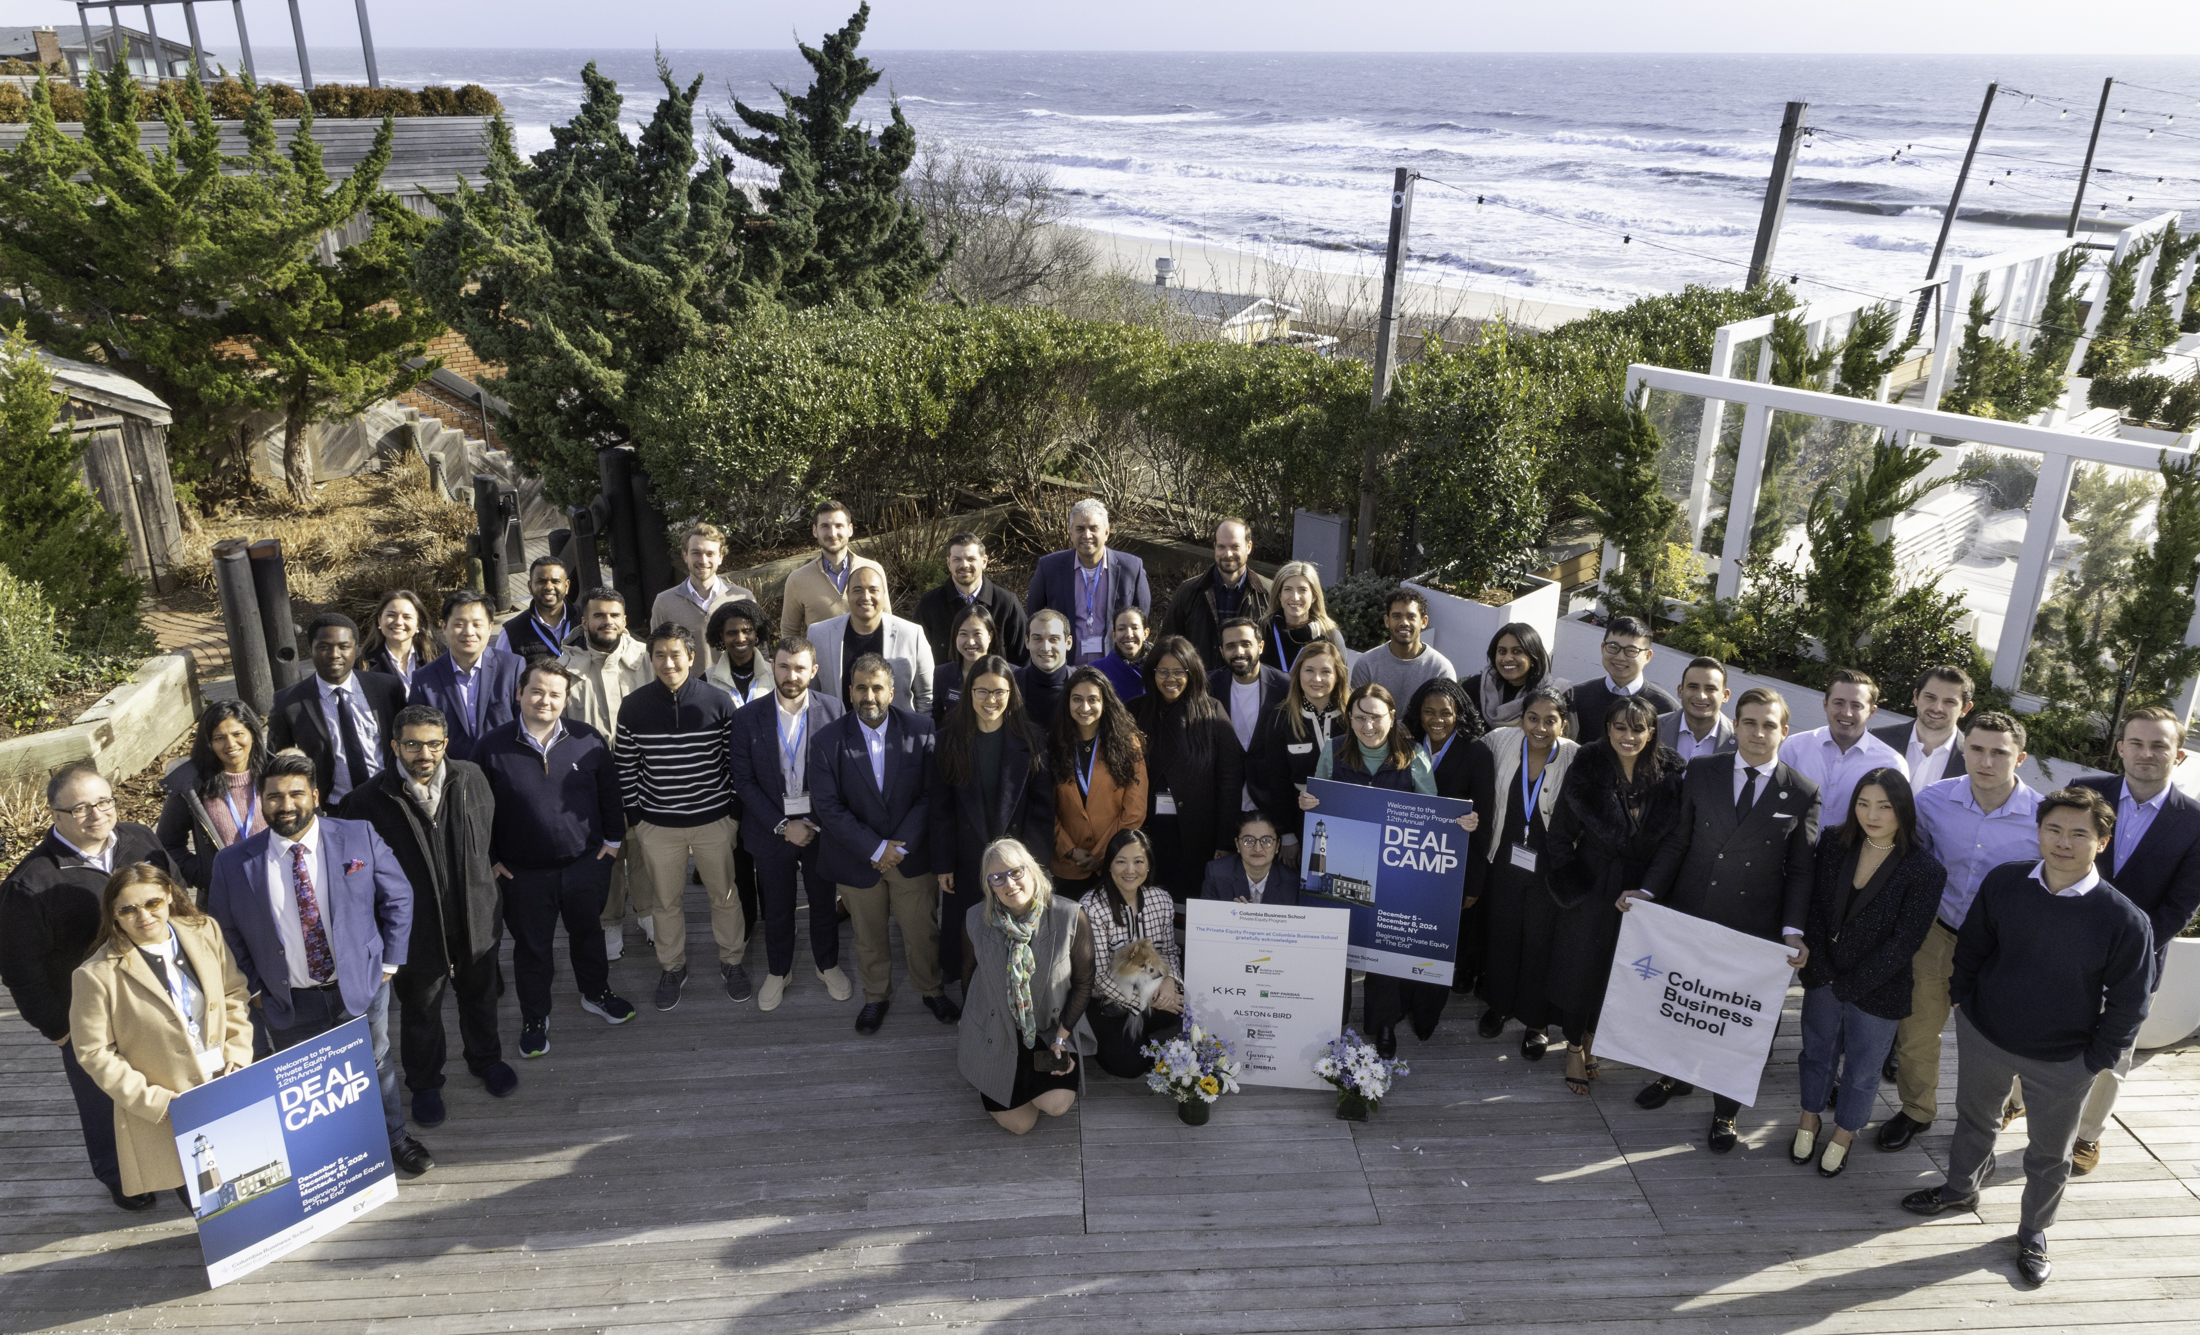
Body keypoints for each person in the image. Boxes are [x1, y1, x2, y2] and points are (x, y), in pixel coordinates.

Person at [1900, 787, 2154, 1288]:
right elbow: (1973, 945)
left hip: (2064, 1059)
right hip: (1986, 1034)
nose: (2063, 842)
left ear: (2101, 842)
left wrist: (2094, 1060)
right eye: (2053, 830)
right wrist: (1962, 1002)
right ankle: (1959, 1189)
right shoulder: (2005, 882)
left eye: (2079, 833)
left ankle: (2034, 1231)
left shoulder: (2124, 919)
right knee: (1974, 1122)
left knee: (2049, 1154)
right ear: (2039, 831)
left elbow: (2130, 1003)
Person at [205, 752, 430, 1176]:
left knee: (376, 1064)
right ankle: (334, 1160)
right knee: (308, 1086)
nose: (285, 805)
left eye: (295, 794)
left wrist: (391, 963)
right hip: (289, 999)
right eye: (273, 797)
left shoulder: (357, 835)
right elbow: (224, 931)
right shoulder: (233, 863)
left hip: (361, 986)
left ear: (315, 795)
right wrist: (253, 987)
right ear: (261, 799)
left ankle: (395, 1139)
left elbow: (398, 896)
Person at [1624, 687, 1818, 1153]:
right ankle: (1672, 1076)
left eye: (1768, 724)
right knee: (1684, 1002)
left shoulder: (1802, 790)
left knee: (1737, 1024)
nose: (1757, 732)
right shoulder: (1703, 770)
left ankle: (1725, 1113)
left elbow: (1801, 871)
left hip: (1753, 930)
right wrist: (1648, 891)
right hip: (1693, 914)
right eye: (1749, 722)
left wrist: (1793, 930)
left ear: (1783, 732)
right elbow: (1678, 841)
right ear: (1737, 725)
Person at [0, 764, 182, 1210]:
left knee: (165, 1087)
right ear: (55, 814)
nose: (96, 814)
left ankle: (180, 1171)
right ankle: (121, 1177)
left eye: (103, 801)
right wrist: (59, 1030)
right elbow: (19, 970)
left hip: (156, 1001)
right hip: (88, 1019)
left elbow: (174, 895)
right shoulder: (30, 885)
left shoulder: (139, 838)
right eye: (80, 807)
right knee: (104, 1105)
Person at [339, 704, 516, 1125]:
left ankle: (485, 1059)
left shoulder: (472, 778)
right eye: (413, 744)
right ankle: (425, 1083)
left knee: (481, 995)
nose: (424, 754)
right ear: (395, 745)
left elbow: (490, 833)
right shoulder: (365, 802)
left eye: (433, 744)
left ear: (446, 744)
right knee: (421, 1010)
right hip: (414, 930)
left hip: (475, 917)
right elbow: (356, 880)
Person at [1879, 713, 2041, 1152]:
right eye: (1976, 749)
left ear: (2019, 758)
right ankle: (1916, 1110)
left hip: (2001, 949)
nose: (1985, 760)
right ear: (1964, 749)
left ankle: (1990, 1116)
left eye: (1999, 752)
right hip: (1937, 933)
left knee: (1996, 1043)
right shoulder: (1932, 800)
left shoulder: (2043, 818)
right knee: (1916, 1032)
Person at [67, 864, 253, 1209]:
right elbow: (94, 1053)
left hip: (227, 1079)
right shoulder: (95, 975)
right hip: (172, 1104)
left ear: (169, 895)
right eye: (128, 909)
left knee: (252, 1179)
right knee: (210, 1205)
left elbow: (234, 992)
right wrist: (153, 1100)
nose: (144, 916)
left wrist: (239, 1051)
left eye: (152, 902)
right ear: (114, 916)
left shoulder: (204, 930)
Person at [477, 658, 636, 1056]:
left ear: (565, 700)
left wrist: (612, 844)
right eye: (536, 691)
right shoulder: (490, 748)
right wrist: (492, 859)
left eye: (554, 694)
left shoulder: (589, 739)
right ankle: (535, 1016)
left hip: (585, 864)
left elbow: (610, 796)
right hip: (522, 874)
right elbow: (477, 813)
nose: (544, 700)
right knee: (532, 948)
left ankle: (596, 992)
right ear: (519, 694)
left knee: (589, 934)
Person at [1791, 769, 1944, 1178]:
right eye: (1863, 803)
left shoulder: (1924, 869)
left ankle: (1844, 1133)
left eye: (1884, 806)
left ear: (1903, 810)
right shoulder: (1833, 845)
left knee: (1862, 1069)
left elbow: (1905, 942)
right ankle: (1809, 1119)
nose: (1871, 815)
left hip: (1879, 988)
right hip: (1824, 976)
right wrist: (1823, 971)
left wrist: (1851, 985)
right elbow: (1817, 912)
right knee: (1815, 1055)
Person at [2067, 706, 2200, 1174]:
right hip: (2063, 947)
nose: (2147, 753)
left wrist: (2123, 956)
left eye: (2159, 745)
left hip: (2137, 963)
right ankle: (2019, 1099)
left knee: (2113, 1055)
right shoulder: (2083, 795)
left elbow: (2179, 909)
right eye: (2137, 743)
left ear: (2178, 755)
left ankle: (2087, 1134)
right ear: (2121, 747)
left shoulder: (2196, 821)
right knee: (2041, 1029)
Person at [1542, 697, 1684, 1095]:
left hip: (1641, 893)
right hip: (1591, 886)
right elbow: (1560, 835)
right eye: (1620, 727)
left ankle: (1592, 1039)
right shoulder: (1587, 764)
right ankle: (1572, 1047)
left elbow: (1674, 840)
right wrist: (1572, 886)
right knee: (1580, 970)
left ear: (1651, 732)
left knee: (1617, 974)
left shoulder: (1670, 772)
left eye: (1637, 729)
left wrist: (1652, 890)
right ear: (1608, 729)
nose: (1628, 736)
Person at [810, 653, 954, 1033]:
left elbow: (929, 795)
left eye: (877, 688)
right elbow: (827, 805)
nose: (868, 695)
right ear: (850, 691)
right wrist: (875, 848)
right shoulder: (826, 741)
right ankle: (876, 997)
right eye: (860, 687)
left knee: (922, 932)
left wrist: (896, 848)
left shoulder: (922, 729)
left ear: (891, 691)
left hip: (909, 856)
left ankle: (931, 989)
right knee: (868, 936)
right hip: (858, 860)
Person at [615, 622, 748, 1013]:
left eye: (676, 654)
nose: (668, 662)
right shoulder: (634, 706)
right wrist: (638, 818)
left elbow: (735, 762)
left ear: (691, 657)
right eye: (660, 655)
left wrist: (733, 814)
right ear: (650, 658)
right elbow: (626, 766)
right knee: (665, 902)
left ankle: (733, 962)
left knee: (724, 895)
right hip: (658, 824)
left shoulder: (719, 702)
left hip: (714, 820)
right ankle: (672, 967)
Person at [727, 635, 851, 1011]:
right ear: (773, 667)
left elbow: (843, 775)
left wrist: (811, 822)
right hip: (770, 830)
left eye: (799, 668)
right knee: (777, 908)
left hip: (820, 829)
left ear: (813, 671)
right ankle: (779, 970)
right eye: (783, 666)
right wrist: (783, 825)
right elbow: (743, 781)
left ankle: (826, 964)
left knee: (823, 902)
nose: (791, 675)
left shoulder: (834, 710)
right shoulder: (747, 717)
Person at [930, 654, 1055, 996]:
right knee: (969, 931)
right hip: (967, 857)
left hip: (1018, 862)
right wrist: (943, 863)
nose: (991, 700)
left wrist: (1036, 864)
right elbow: (940, 809)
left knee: (1016, 931)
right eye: (982, 692)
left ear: (1011, 694)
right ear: (969, 693)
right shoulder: (947, 739)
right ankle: (971, 996)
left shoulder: (1031, 739)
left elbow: (1042, 809)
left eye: (999, 692)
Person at [955, 838, 1097, 1135]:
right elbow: (968, 975)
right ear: (989, 885)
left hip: (1047, 1031)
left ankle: (1024, 1081)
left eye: (1016, 872)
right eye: (997, 878)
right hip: (1000, 1031)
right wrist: (973, 1026)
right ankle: (996, 1073)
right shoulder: (975, 919)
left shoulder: (1070, 915)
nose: (1009, 883)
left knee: (1056, 1105)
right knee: (1020, 1125)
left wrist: (1061, 1039)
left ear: (1032, 870)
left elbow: (1084, 983)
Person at [1467, 686, 1577, 1059]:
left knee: (1539, 943)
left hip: (1548, 868)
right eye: (1533, 718)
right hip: (1504, 860)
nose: (1540, 728)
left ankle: (1536, 1022)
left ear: (1563, 723)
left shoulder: (1576, 757)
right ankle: (1499, 1005)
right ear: (1522, 718)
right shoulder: (1500, 741)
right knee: (1502, 935)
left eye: (1551, 720)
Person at [558, 585, 657, 963]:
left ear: (625, 619)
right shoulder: (563, 665)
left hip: (643, 773)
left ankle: (648, 915)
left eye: (614, 615)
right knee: (607, 853)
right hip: (590, 780)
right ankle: (610, 920)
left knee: (644, 847)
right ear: (584, 621)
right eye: (599, 615)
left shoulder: (647, 658)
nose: (607, 622)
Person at [1132, 637, 1242, 899]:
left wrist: (1225, 842)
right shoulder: (1135, 711)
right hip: (1147, 830)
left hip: (1197, 834)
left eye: (1179, 671)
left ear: (1192, 672)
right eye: (1163, 671)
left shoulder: (1211, 712)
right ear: (1152, 673)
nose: (1171, 679)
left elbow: (1230, 779)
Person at [266, 612, 404, 808]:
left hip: (389, 801)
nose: (334, 654)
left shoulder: (386, 687)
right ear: (310, 649)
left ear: (355, 648)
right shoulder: (289, 702)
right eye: (324, 647)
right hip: (333, 809)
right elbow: (276, 762)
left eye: (343, 646)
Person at [1078, 829, 1186, 1077]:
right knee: (1129, 1065)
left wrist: (1170, 982)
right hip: (1107, 1001)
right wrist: (1148, 1000)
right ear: (1109, 866)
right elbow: (1100, 977)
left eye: (1138, 861)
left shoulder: (1161, 899)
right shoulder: (1091, 907)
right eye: (1121, 861)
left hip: (1154, 988)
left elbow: (1169, 951)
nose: (1130, 870)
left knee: (1189, 1009)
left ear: (1148, 865)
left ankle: (1145, 1031)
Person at [1047, 667, 1149, 896]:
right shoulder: (1052, 744)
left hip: (1115, 864)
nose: (1084, 707)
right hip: (1067, 866)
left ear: (1105, 702)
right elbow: (1044, 807)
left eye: (1093, 699)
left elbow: (1135, 810)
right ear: (1067, 703)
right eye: (1077, 699)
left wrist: (1103, 853)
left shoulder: (1129, 745)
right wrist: (1069, 849)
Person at [157, 700, 269, 892]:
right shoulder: (190, 786)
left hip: (281, 889)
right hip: (226, 898)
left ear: (252, 734)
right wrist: (206, 875)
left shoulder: (279, 775)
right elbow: (167, 845)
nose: (231, 744)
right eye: (219, 738)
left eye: (238, 734)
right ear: (208, 743)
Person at [1025, 499, 1150, 666]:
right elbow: (1033, 614)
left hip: (1117, 666)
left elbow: (1141, 616)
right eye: (1080, 529)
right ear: (1070, 532)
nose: (1087, 535)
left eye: (1093, 528)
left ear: (1106, 532)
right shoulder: (1049, 567)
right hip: (1065, 666)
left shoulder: (1131, 568)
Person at [1779, 668, 1905, 831]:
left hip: (1854, 856)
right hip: (1793, 853)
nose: (1846, 713)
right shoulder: (1795, 748)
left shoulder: (1890, 763)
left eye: (1856, 705)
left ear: (1871, 711)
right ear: (1825, 704)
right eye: (1839, 703)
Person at [1250, 638, 1348, 847]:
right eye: (1309, 670)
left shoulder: (1353, 716)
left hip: (1349, 816)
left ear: (1338, 675)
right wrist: (1287, 836)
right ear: (1298, 674)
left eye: (1326, 671)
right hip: (1301, 819)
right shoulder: (1281, 717)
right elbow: (1277, 783)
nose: (1317, 678)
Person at [410, 591, 524, 763]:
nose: (468, 632)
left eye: (477, 624)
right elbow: (420, 736)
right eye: (459, 624)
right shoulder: (424, 679)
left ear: (490, 627)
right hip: (454, 777)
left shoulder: (512, 667)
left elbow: (526, 723)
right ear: (443, 627)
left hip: (506, 770)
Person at [810, 565, 936, 715]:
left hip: (896, 735)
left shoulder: (912, 634)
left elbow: (927, 696)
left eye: (873, 590)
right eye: (857, 590)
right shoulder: (818, 634)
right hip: (839, 734)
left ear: (883, 594)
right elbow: (811, 695)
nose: (866, 596)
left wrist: (919, 735)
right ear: (847, 594)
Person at [1160, 517, 1273, 669]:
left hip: (1249, 687)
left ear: (1249, 547)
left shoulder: (1268, 593)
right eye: (1221, 546)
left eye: (1235, 546)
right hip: (1201, 686)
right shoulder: (1189, 591)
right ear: (1214, 546)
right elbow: (1167, 644)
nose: (1227, 554)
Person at [649, 522, 758, 672]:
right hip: (687, 692)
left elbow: (759, 650)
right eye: (696, 553)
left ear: (720, 557)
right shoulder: (664, 603)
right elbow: (657, 654)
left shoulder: (743, 598)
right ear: (685, 555)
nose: (703, 560)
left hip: (734, 690)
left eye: (710, 554)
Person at [916, 530, 1027, 668]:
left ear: (984, 561)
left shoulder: (1006, 603)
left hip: (995, 687)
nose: (964, 565)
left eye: (971, 559)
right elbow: (918, 657)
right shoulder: (929, 604)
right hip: (946, 687)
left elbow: (1023, 658)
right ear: (948, 563)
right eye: (957, 559)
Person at [1566, 616, 1680, 741]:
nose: (1620, 657)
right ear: (1603, 648)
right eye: (1614, 647)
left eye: (1631, 651)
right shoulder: (1577, 697)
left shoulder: (1666, 708)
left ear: (1648, 656)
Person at [780, 498, 884, 632]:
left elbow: (886, 619)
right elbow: (789, 630)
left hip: (868, 653)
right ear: (815, 531)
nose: (832, 534)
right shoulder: (797, 579)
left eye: (839, 526)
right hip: (821, 653)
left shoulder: (874, 571)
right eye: (825, 526)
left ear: (850, 530)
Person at [1872, 665, 1975, 788]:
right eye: (1930, 697)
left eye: (1949, 702)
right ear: (1916, 697)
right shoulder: (1877, 741)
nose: (1937, 708)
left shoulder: (1973, 761)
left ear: (1965, 709)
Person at [1211, 616, 1288, 775]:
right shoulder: (1207, 685)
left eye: (1246, 644)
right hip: (1225, 787)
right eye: (1230, 646)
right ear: (1221, 651)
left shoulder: (1285, 686)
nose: (1239, 652)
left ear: (1260, 646)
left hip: (1270, 791)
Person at [1348, 588, 1456, 701]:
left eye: (1411, 617)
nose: (1404, 623)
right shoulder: (1366, 665)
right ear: (1387, 621)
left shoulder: (1440, 669)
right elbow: (1358, 712)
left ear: (1423, 622)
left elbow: (1443, 715)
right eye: (1396, 616)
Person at [1471, 622, 1571, 728]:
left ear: (1533, 658)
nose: (1507, 658)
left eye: (1517, 651)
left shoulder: (1555, 696)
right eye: (1502, 651)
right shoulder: (1476, 688)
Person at [1258, 560, 1348, 674]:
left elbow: (1341, 684)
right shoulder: (1263, 631)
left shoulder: (1330, 636)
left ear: (1314, 596)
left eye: (1302, 590)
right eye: (1287, 589)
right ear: (1279, 595)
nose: (1295, 597)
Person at [1202, 812, 1302, 904]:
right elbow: (1206, 918)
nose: (1257, 848)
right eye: (1248, 840)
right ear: (1237, 844)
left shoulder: (1292, 882)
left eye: (1266, 840)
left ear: (1277, 845)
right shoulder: (1216, 873)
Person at [1659, 656, 1737, 761]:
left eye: (1710, 689)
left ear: (1725, 695)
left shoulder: (1740, 740)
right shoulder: (1652, 728)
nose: (1701, 696)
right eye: (1693, 687)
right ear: (1680, 691)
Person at [931, 603, 998, 724]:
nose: (971, 642)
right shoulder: (941, 674)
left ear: (990, 636)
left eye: (977, 634)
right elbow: (936, 719)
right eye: (963, 634)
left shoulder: (1009, 675)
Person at [501, 555, 576, 659]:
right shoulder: (511, 632)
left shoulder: (585, 620)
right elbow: (501, 672)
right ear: (530, 587)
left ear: (566, 586)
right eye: (541, 581)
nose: (549, 587)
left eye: (555, 581)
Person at [705, 599, 776, 707]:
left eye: (747, 631)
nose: (740, 639)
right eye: (732, 633)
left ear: (756, 631)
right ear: (721, 636)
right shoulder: (707, 679)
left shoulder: (776, 673)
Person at [362, 589, 439, 687]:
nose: (398, 622)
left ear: (418, 624)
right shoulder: (363, 665)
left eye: (407, 617)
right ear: (379, 620)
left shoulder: (437, 657)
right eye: (391, 615)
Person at [1017, 610, 1074, 727]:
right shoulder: (1011, 685)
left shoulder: (1085, 685)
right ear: (1027, 642)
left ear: (1068, 643)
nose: (1045, 647)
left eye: (1054, 639)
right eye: (1037, 639)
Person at [1091, 606, 1151, 703]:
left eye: (1135, 628)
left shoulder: (1159, 668)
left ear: (1145, 633)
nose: (1128, 634)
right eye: (1121, 629)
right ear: (1114, 635)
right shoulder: (1096, 670)